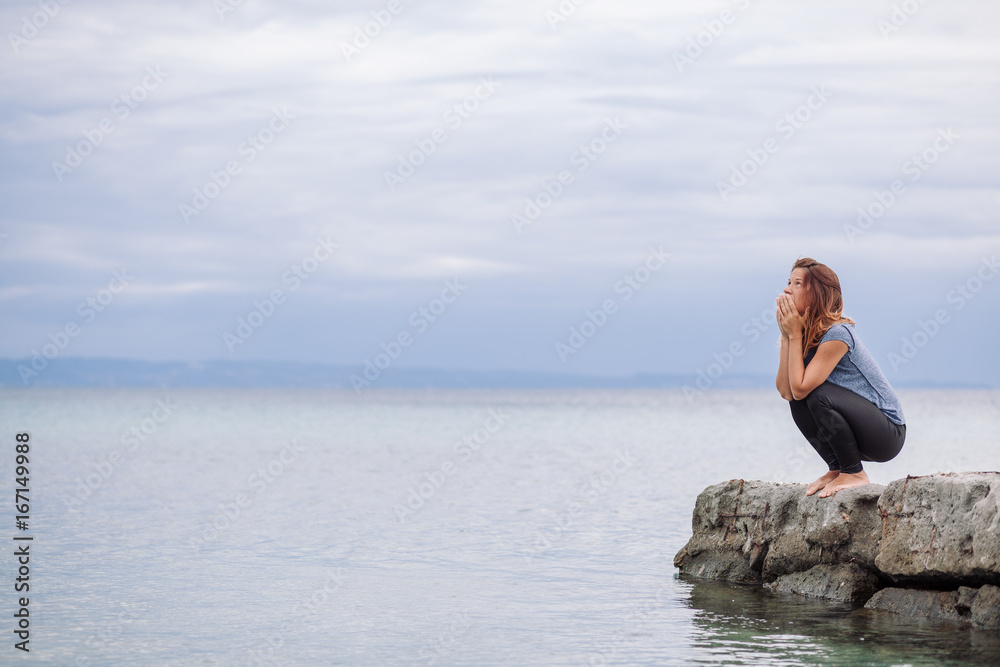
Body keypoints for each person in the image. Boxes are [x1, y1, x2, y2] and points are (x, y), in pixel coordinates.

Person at [775, 258, 906, 497]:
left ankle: (854, 472)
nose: (786, 290)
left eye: (796, 284)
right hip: (859, 430)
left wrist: (794, 335)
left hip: (888, 432)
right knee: (798, 399)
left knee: (817, 395)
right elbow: (787, 392)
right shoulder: (803, 336)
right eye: (788, 283)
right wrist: (787, 335)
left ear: (816, 294)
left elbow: (803, 388)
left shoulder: (838, 334)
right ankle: (837, 468)